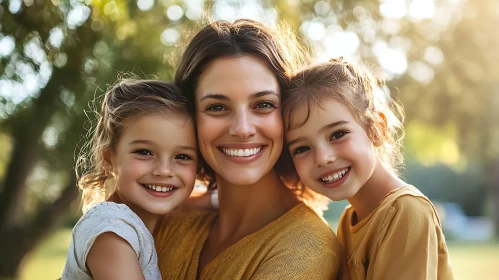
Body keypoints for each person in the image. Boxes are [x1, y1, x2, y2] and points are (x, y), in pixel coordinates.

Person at [153, 19, 342, 279]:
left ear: (287, 112)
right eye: (217, 107)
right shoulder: (170, 220)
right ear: (189, 117)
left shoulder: (305, 247)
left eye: (263, 104)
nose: (242, 129)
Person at [283, 58, 454, 279]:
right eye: (302, 148)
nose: (323, 158)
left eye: (337, 134)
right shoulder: (349, 220)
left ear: (377, 129)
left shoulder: (406, 211)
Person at [62, 80, 198, 279]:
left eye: (182, 156)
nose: (164, 170)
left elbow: (201, 201)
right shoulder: (110, 230)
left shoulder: (133, 224)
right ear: (109, 158)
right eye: (144, 152)